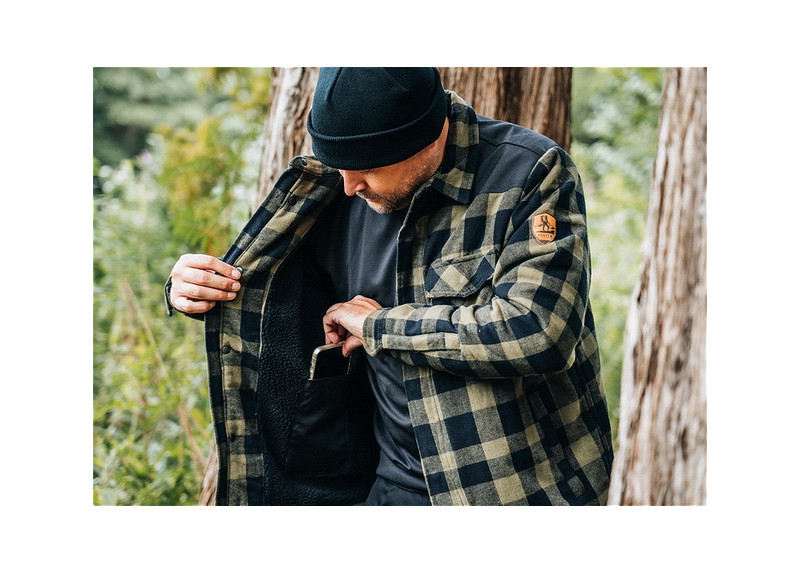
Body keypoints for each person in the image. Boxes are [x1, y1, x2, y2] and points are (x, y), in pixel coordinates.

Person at [166, 67, 614, 506]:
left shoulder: (528, 172)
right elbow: (274, 299)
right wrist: (192, 288)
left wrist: (378, 326)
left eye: (367, 167)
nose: (349, 186)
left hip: (512, 492)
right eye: (340, 166)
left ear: (425, 136)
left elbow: (538, 331)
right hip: (383, 489)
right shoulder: (333, 187)